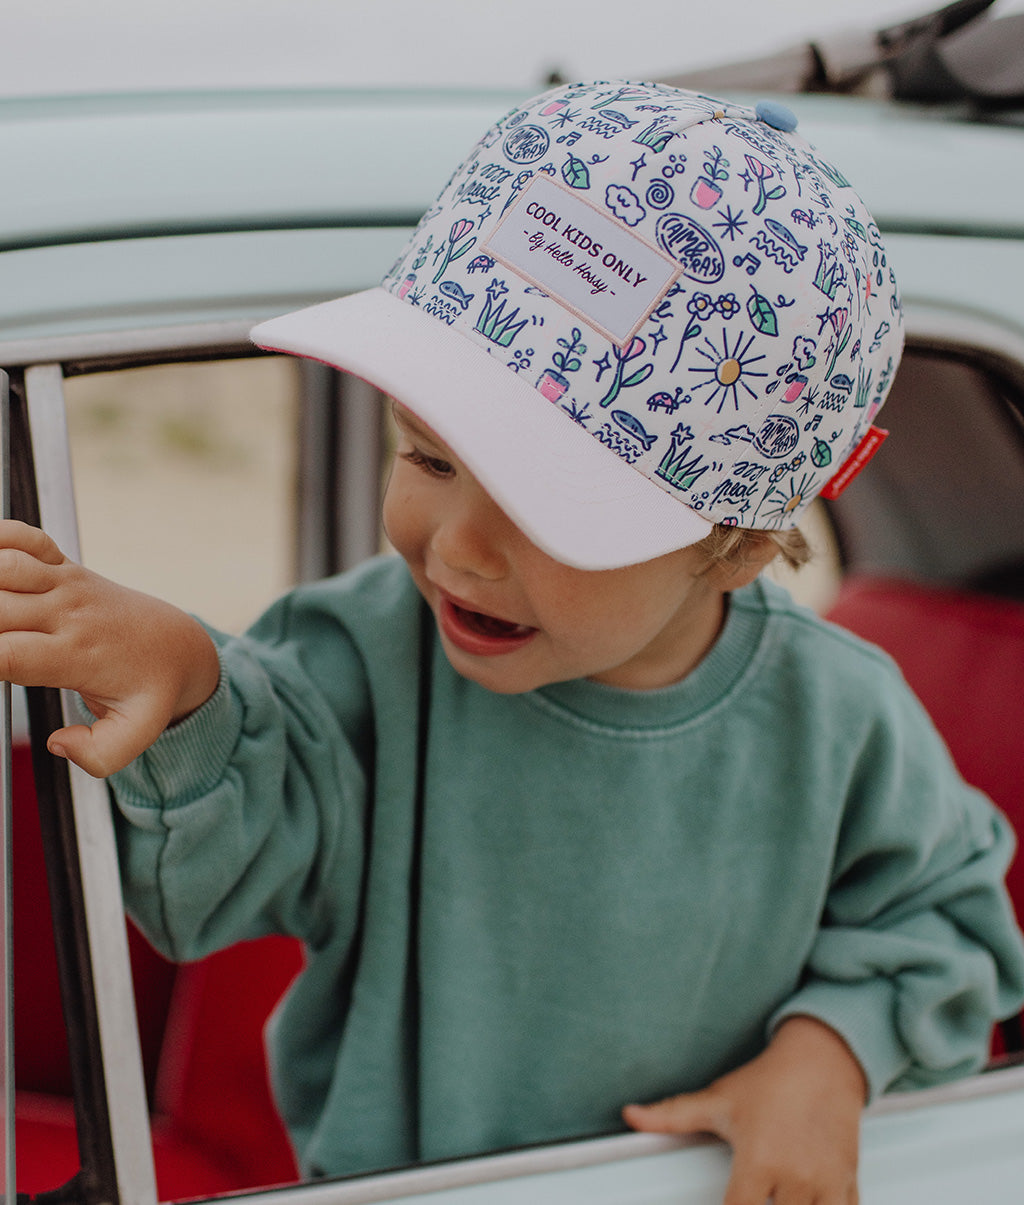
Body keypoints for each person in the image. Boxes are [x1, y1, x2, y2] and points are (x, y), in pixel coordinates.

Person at [3, 80, 1023, 1205]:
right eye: (429, 457)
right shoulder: (362, 659)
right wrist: (191, 684)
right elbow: (205, 886)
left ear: (732, 548)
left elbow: (944, 925)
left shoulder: (838, 716)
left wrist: (827, 1053)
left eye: (545, 507)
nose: (459, 550)